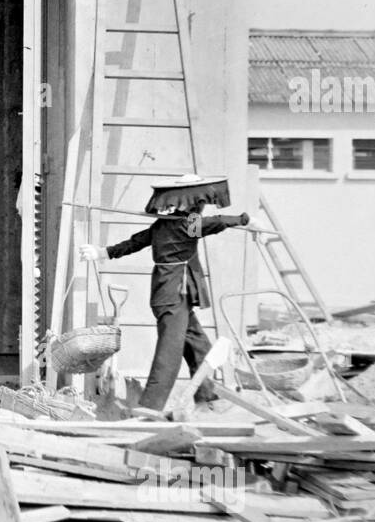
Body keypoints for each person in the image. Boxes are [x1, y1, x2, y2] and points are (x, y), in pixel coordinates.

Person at [81, 173, 249, 418]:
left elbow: (133, 243)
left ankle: (206, 396)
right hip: (173, 293)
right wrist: (245, 219)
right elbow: (216, 222)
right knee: (168, 355)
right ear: (193, 203)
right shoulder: (188, 223)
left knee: (198, 345)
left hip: (170, 293)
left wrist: (102, 252)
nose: (202, 207)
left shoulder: (164, 224)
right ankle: (148, 409)